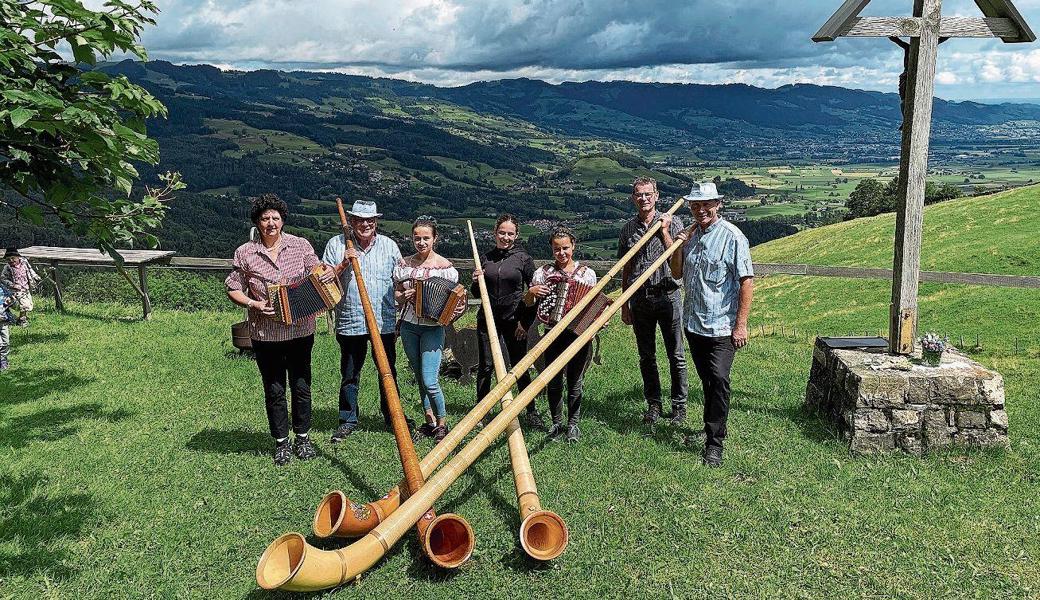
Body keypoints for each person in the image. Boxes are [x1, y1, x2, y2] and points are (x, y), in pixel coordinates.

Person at [225, 194, 335, 466]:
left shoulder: (300, 245)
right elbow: (233, 287)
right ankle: (281, 442)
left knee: (301, 385)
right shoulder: (245, 252)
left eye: (275, 218)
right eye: (265, 218)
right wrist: (254, 303)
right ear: (257, 223)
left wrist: (328, 271)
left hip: (301, 330)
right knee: (274, 388)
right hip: (266, 334)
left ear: (283, 220)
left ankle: (303, 437)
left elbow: (316, 268)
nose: (271, 223)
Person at [669, 182, 754, 467]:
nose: (701, 210)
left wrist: (740, 325)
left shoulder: (733, 237)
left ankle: (714, 443)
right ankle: (712, 426)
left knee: (718, 379)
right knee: (707, 381)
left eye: (706, 204)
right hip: (693, 324)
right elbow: (677, 271)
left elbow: (746, 282)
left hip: (721, 327)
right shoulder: (691, 236)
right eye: (695, 205)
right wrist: (678, 244)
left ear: (718, 205)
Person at [323, 199, 404, 442]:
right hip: (350, 321)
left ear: (376, 222)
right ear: (352, 221)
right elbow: (324, 279)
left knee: (387, 372)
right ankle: (347, 419)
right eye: (360, 220)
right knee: (350, 373)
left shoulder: (389, 246)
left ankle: (393, 418)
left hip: (383, 322)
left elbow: (400, 279)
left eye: (370, 220)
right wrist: (344, 262)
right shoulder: (337, 244)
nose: (365, 224)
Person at [617, 177, 689, 427]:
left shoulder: (673, 220)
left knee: (676, 355)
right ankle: (654, 404)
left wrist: (665, 231)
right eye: (639, 195)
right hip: (640, 299)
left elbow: (677, 261)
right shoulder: (627, 230)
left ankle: (679, 406)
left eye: (648, 194)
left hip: (668, 295)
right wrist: (624, 303)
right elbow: (625, 267)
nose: (644, 199)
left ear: (657, 195)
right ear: (633, 198)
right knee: (646, 356)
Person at [393, 217, 466, 442]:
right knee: (418, 375)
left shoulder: (446, 269)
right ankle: (429, 421)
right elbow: (395, 293)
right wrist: (402, 296)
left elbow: (458, 303)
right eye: (417, 238)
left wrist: (452, 312)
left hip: (433, 328)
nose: (421, 242)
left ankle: (443, 423)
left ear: (435, 238)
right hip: (408, 326)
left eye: (426, 238)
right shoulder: (404, 265)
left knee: (430, 380)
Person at [471, 214, 544, 430]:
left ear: (516, 235)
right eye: (502, 233)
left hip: (515, 319)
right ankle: (481, 412)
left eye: (510, 233)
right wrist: (476, 281)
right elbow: (477, 292)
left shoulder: (524, 259)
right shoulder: (485, 258)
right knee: (486, 366)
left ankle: (530, 411)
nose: (505, 237)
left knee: (519, 365)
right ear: (495, 233)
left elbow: (534, 293)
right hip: (488, 318)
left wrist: (525, 322)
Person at [525, 227, 597, 443]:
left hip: (578, 334)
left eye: (565, 248)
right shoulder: (543, 274)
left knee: (576, 379)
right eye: (557, 249)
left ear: (573, 246)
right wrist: (530, 293)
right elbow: (529, 304)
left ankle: (573, 424)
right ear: (551, 249)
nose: (562, 253)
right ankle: (557, 423)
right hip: (552, 332)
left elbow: (594, 306)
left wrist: (593, 326)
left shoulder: (587, 274)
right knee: (553, 378)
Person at [1, 248, 41, 328]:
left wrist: (35, 276)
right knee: (22, 304)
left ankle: (19, 317)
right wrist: (12, 285)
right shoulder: (8, 267)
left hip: (26, 288)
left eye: (13, 258)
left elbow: (30, 270)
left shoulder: (24, 262)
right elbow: (2, 278)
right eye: (8, 259)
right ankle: (22, 320)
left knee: (27, 304)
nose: (11, 260)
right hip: (15, 290)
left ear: (18, 257)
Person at [0, 282, 15, 371]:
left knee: (6, 342)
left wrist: (11, 301)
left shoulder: (3, 288)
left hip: (4, 320)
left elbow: (13, 303)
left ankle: (4, 359)